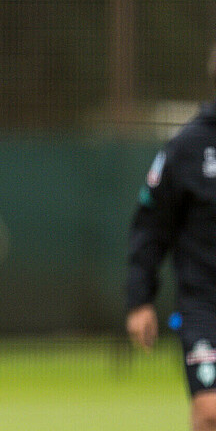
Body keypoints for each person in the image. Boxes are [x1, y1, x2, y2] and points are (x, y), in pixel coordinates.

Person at [127, 44, 216, 431]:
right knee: (210, 411)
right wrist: (139, 300)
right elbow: (151, 225)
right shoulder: (188, 147)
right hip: (204, 307)